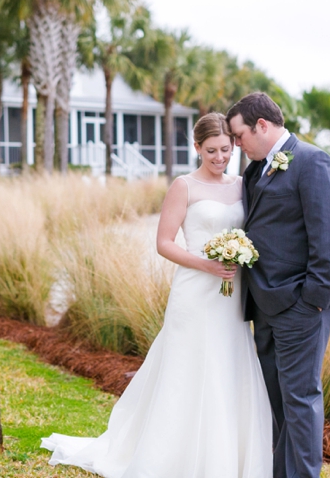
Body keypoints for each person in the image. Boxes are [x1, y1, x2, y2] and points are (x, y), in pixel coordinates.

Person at [41, 113, 273, 478]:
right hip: (195, 292)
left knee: (228, 362)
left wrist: (237, 256)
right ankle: (171, 457)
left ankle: (225, 459)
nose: (219, 158)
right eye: (211, 150)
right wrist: (206, 264)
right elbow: (164, 243)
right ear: (196, 147)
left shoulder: (243, 184)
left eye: (226, 149)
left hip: (232, 294)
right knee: (188, 367)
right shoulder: (184, 186)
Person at [226, 92, 330, 478]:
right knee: (276, 401)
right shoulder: (255, 169)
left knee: (300, 400)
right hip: (264, 304)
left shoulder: (313, 162)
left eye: (239, 135)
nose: (236, 146)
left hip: (301, 305)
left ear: (261, 126)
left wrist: (312, 301)